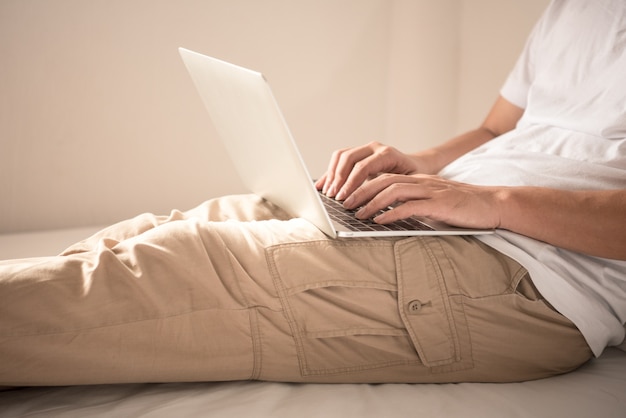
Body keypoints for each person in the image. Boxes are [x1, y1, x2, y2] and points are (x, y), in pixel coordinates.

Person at [1, 0, 624, 386]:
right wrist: (420, 165)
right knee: (166, 228)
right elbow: (497, 128)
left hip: (532, 277)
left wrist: (490, 204)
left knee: (179, 263)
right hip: (450, 217)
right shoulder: (572, 9)